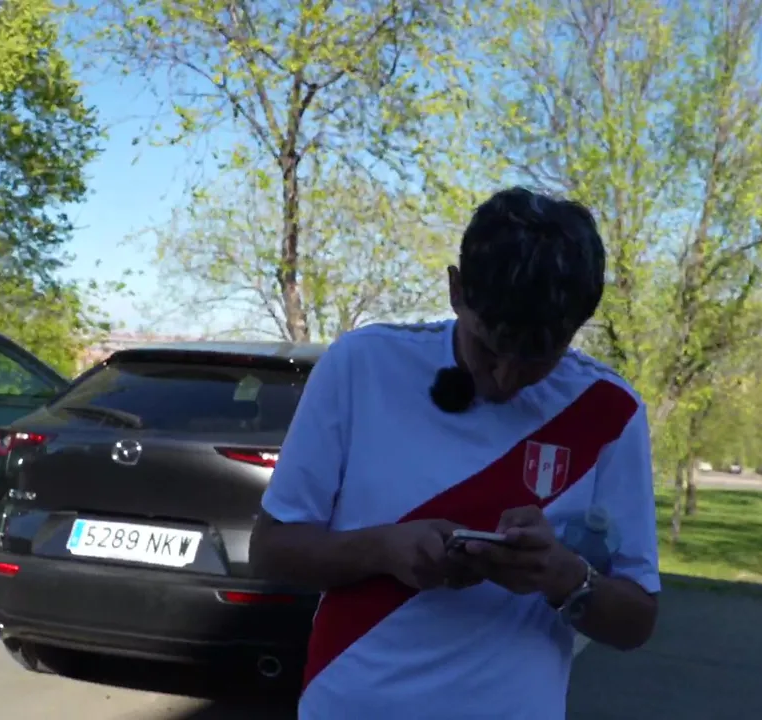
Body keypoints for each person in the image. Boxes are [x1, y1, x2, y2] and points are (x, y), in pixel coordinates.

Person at [249, 187, 661, 719]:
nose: (505, 379)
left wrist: (561, 576)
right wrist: (383, 549)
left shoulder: (610, 411)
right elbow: (271, 550)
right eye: (488, 348)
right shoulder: (361, 365)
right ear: (456, 289)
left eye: (536, 360)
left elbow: (637, 621)